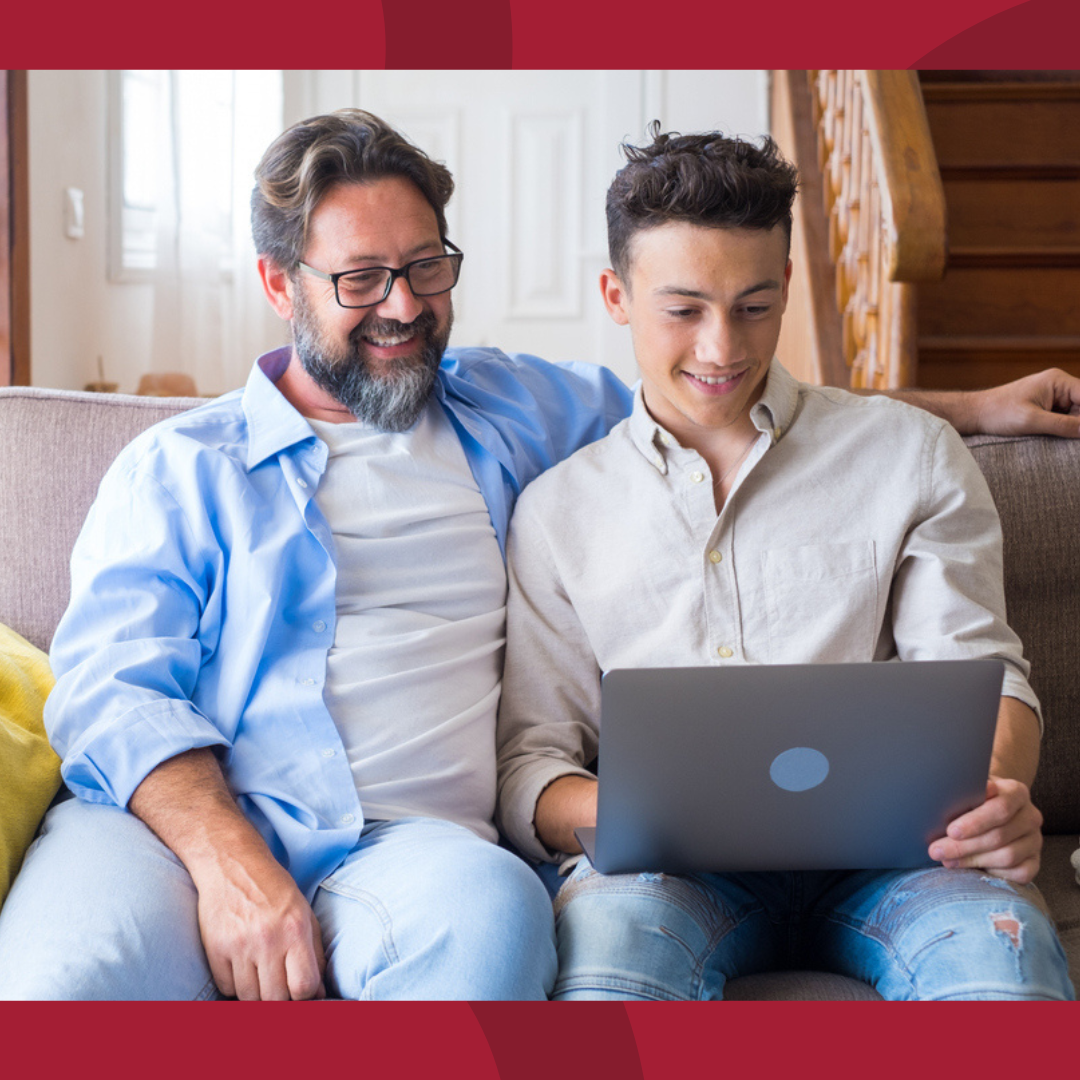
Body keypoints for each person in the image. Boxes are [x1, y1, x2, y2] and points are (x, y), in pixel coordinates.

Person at [0, 110, 1075, 1001]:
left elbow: (726, 395)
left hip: (409, 850)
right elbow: (108, 690)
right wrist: (226, 860)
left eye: (426, 267)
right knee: (57, 988)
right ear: (280, 286)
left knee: (497, 933)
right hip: (183, 829)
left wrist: (973, 406)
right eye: (361, 280)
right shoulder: (179, 465)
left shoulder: (512, 413)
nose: (407, 306)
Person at [495, 125, 1075, 1000]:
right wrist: (639, 816)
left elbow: (988, 678)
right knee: (608, 969)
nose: (723, 348)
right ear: (616, 295)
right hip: (667, 875)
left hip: (905, 860)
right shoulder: (557, 511)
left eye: (755, 305)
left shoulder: (909, 455)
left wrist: (996, 796)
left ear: (790, 285)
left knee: (1001, 966)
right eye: (684, 310)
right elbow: (531, 766)